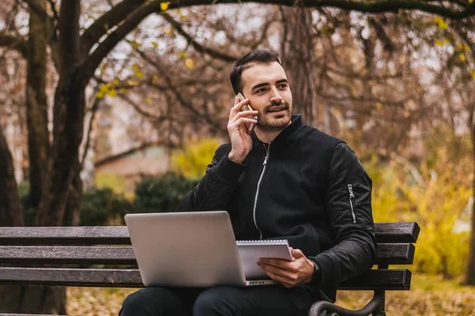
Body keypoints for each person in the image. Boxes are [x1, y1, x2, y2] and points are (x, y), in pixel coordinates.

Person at [120, 50, 375, 316]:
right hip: (223, 283)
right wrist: (233, 161)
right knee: (141, 305)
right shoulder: (228, 156)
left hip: (297, 291)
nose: (277, 96)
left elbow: (360, 241)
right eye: (262, 89)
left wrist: (315, 267)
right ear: (241, 102)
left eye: (282, 85)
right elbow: (188, 221)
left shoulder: (332, 154)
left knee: (214, 304)